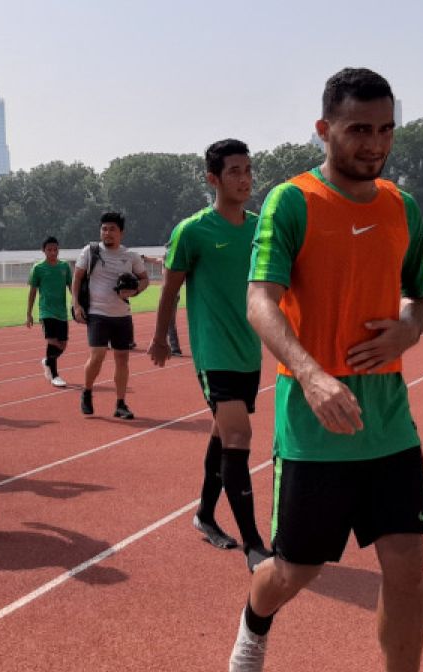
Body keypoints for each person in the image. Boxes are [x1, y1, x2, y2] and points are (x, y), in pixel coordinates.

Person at [228, 68, 423, 672]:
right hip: (315, 422)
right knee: (295, 569)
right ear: (325, 129)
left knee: (407, 566)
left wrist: (408, 334)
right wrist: (311, 371)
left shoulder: (403, 206)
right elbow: (261, 302)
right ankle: (255, 617)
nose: (375, 144)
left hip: (390, 419)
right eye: (360, 129)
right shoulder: (292, 203)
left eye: (387, 129)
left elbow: (419, 300)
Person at [149, 138, 271, 573]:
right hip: (213, 351)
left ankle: (204, 514)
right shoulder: (192, 230)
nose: (245, 178)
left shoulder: (262, 227)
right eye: (235, 171)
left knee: (224, 435)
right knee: (239, 437)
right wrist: (161, 337)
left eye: (248, 169)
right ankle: (254, 544)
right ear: (213, 179)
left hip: (248, 350)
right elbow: (170, 289)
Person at [71, 212, 149, 419]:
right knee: (97, 355)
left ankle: (120, 404)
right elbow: (77, 279)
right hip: (97, 313)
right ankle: (87, 391)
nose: (107, 233)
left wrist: (135, 291)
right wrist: (76, 305)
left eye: (112, 229)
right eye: (104, 228)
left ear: (121, 232)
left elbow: (144, 279)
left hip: (122, 315)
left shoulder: (130, 256)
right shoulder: (90, 251)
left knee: (122, 359)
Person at [26, 236, 72, 387]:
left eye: (55, 249)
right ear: (43, 250)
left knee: (63, 345)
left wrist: (77, 303)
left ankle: (48, 361)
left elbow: (72, 287)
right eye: (49, 250)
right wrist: (29, 313)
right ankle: (54, 375)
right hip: (46, 310)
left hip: (62, 312)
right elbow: (32, 291)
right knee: (52, 341)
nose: (53, 252)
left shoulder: (64, 267)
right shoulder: (38, 268)